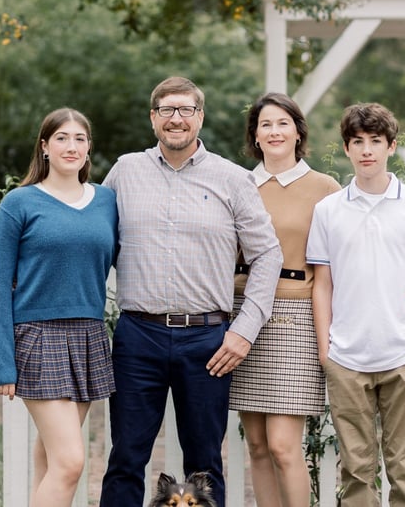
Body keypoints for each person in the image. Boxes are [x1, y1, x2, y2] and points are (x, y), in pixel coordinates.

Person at [99, 76, 283, 507]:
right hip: (137, 335)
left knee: (203, 463)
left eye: (185, 110)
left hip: (208, 340)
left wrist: (245, 331)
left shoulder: (233, 180)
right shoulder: (125, 172)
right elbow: (96, 242)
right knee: (126, 456)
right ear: (153, 118)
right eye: (167, 110)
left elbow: (267, 255)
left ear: (199, 117)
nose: (176, 118)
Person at [307, 102, 405, 507]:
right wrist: (325, 351)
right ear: (347, 148)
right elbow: (323, 285)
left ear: (391, 146)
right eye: (357, 142)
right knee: (356, 472)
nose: (366, 150)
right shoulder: (328, 210)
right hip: (346, 358)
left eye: (375, 141)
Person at [0, 108, 119, 507]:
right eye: (61, 137)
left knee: (50, 456)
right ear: (44, 146)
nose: (71, 146)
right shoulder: (19, 203)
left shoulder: (107, 201)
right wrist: (4, 364)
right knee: (71, 462)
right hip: (38, 338)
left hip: (88, 337)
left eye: (80, 138)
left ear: (89, 147)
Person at [229, 92, 342, 507]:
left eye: (283, 123)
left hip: (296, 316)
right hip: (242, 315)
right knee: (256, 444)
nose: (274, 132)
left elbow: (345, 259)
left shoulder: (325, 189)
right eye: (265, 125)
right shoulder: (238, 183)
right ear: (255, 136)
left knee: (282, 444)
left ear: (298, 132)